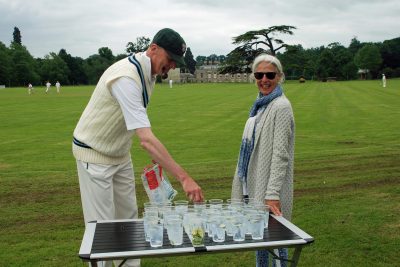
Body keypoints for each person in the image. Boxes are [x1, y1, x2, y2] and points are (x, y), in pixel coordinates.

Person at [72, 28, 203, 267]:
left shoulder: (148, 73)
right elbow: (145, 138)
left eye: (176, 61)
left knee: (129, 225)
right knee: (101, 231)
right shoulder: (126, 77)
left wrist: (160, 158)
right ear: (153, 49)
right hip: (94, 154)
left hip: (120, 154)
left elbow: (137, 131)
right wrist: (184, 178)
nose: (172, 65)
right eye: (170, 59)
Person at [231, 54, 295, 267]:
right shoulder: (260, 105)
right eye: (259, 74)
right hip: (255, 185)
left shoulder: (281, 106)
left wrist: (272, 194)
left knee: (276, 240)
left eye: (270, 74)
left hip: (269, 190)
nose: (264, 79)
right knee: (260, 239)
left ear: (279, 77)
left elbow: (280, 154)